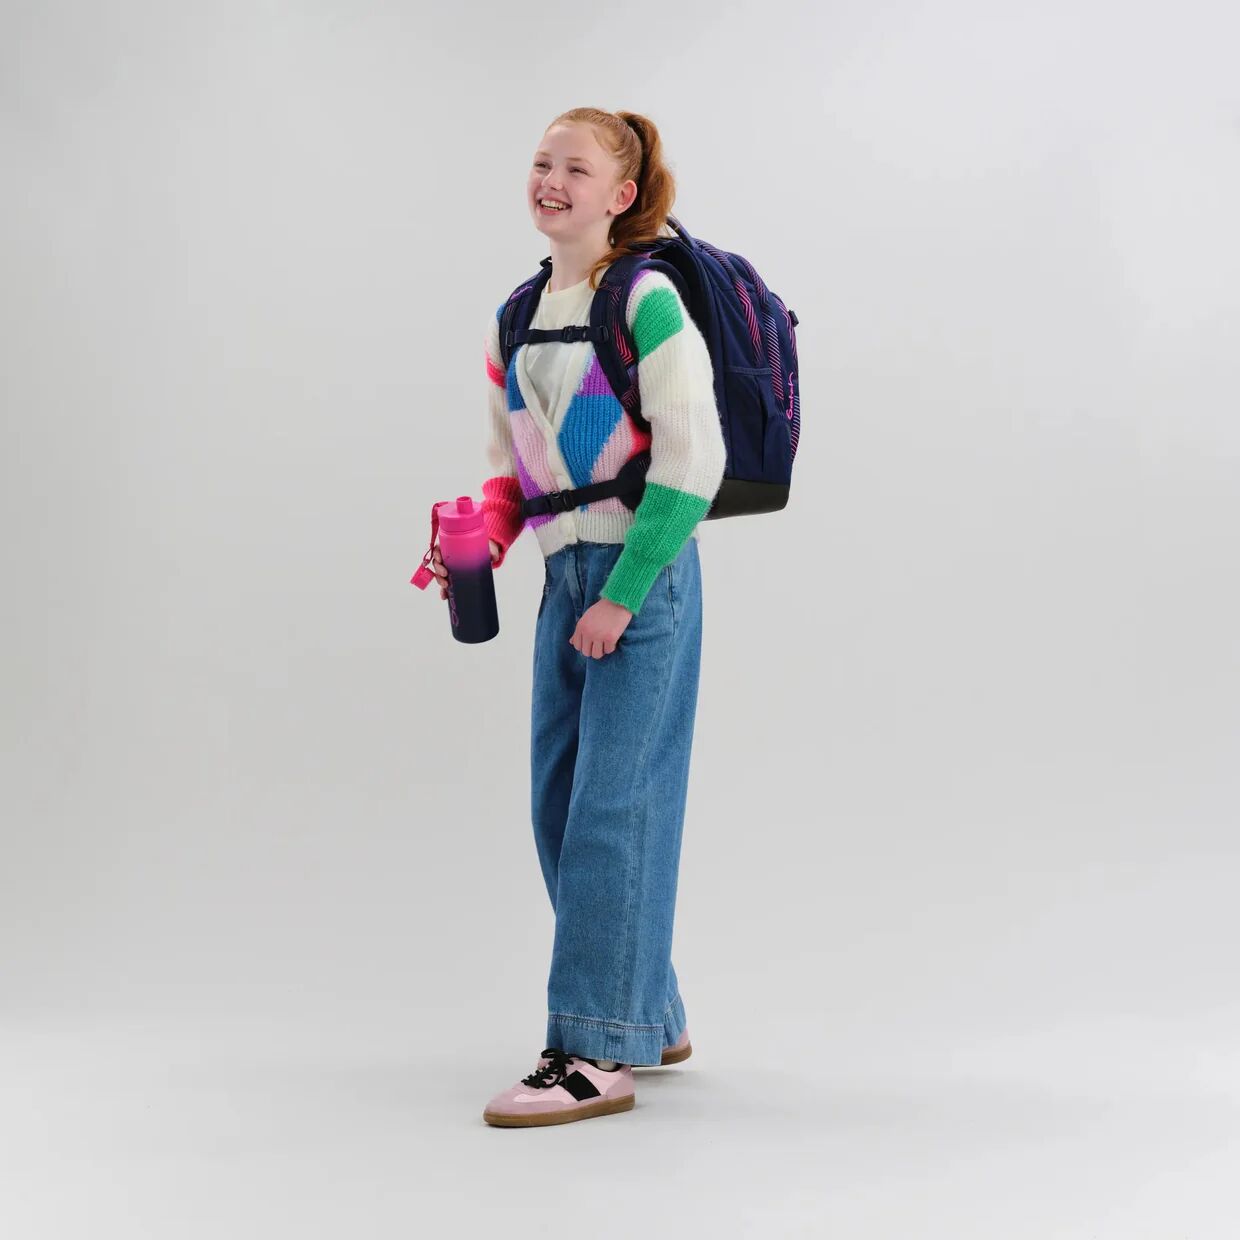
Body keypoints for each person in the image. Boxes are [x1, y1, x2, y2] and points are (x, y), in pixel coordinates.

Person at [432, 108, 725, 1128]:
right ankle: (647, 1011)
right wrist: (478, 539)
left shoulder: (644, 300)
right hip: (566, 578)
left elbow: (691, 464)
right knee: (560, 804)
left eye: (577, 168)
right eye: (541, 162)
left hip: (641, 573)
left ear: (622, 196)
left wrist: (623, 592)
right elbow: (513, 470)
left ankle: (594, 1051)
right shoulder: (515, 316)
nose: (551, 180)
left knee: (614, 806)